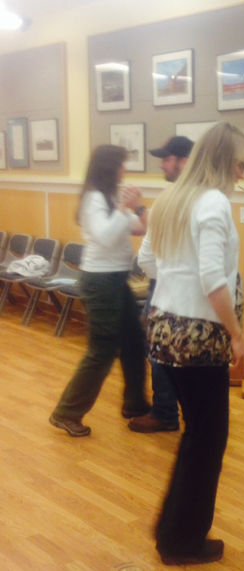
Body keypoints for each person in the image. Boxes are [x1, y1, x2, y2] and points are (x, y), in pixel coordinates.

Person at [138, 122, 244, 565]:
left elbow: (147, 260)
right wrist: (237, 333)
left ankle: (172, 532)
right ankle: (182, 542)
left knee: (196, 437)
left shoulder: (171, 198)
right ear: (225, 160)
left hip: (164, 328)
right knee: (206, 440)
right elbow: (213, 279)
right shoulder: (213, 202)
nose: (242, 174)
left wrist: (174, 283)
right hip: (200, 337)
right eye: (240, 164)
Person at [50, 145, 150, 437]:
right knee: (102, 349)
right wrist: (123, 207)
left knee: (134, 342)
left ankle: (136, 405)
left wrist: (138, 205)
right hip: (100, 281)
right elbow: (106, 237)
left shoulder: (109, 197)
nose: (125, 170)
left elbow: (140, 228)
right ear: (109, 167)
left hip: (116, 280)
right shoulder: (94, 198)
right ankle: (66, 412)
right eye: (121, 164)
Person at [128, 135, 194, 433]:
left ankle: (166, 413)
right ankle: (171, 409)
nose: (162, 164)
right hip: (171, 285)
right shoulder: (190, 195)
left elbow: (153, 251)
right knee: (161, 349)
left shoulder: (182, 197)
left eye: (167, 159)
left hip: (167, 286)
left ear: (183, 161)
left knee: (159, 350)